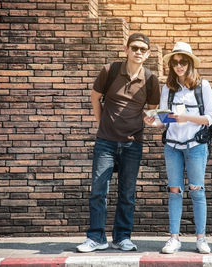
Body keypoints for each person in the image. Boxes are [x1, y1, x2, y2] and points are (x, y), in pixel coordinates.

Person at [76, 33, 160, 253]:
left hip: (133, 143)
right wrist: (102, 123)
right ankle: (96, 238)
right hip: (106, 141)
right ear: (126, 49)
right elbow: (95, 97)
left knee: (127, 193)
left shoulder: (150, 79)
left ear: (148, 53)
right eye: (134, 48)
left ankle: (122, 237)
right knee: (98, 190)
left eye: (143, 49)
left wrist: (148, 119)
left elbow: (150, 110)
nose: (138, 52)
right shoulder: (110, 70)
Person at [155, 42, 212, 254]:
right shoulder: (168, 88)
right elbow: (163, 120)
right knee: (174, 191)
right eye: (175, 62)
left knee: (197, 190)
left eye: (183, 62)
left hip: (196, 146)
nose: (179, 66)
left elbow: (209, 118)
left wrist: (185, 117)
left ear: (190, 63)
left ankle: (201, 238)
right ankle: (174, 238)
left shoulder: (203, 86)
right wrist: (151, 120)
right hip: (172, 146)